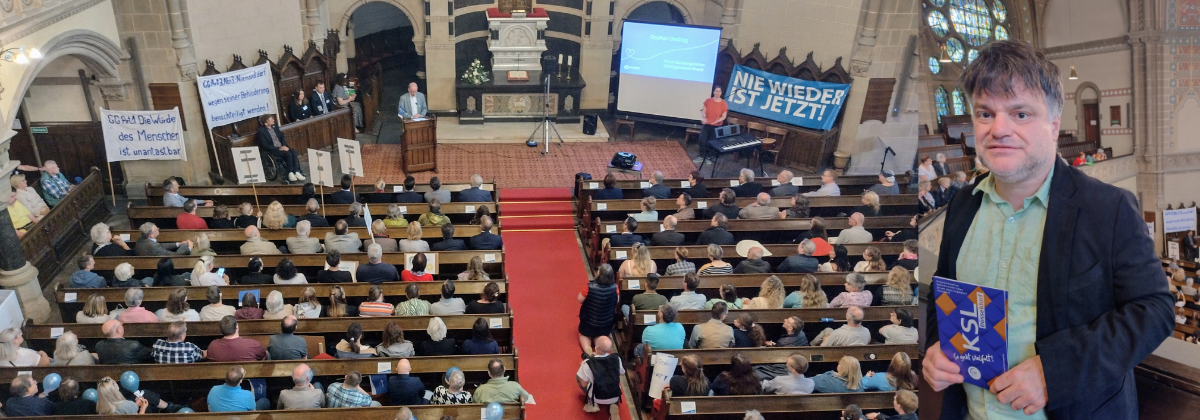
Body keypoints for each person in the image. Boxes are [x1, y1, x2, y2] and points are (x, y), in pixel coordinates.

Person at [924, 40, 1174, 420]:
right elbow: (944, 292)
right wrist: (934, 347)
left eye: (1020, 114)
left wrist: (1054, 372)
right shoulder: (962, 205)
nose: (999, 129)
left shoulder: (1108, 209)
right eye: (985, 113)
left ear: (1054, 125)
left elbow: (1155, 311)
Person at [576, 336, 624, 419]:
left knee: (578, 377)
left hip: (597, 396)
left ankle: (592, 403)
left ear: (597, 347)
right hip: (615, 394)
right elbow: (621, 373)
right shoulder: (617, 359)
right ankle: (614, 406)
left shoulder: (588, 363)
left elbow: (583, 384)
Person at [578, 264, 619, 355]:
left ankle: (587, 350)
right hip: (605, 323)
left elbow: (579, 299)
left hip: (588, 322)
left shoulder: (590, 287)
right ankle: (600, 350)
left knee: (583, 334)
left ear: (599, 274)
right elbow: (617, 300)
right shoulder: (615, 288)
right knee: (600, 336)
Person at [256, 114, 305, 181]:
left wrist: (283, 145)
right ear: (266, 123)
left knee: (293, 151)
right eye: (271, 119)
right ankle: (290, 172)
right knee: (288, 154)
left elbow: (282, 137)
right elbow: (265, 145)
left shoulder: (275, 126)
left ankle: (296, 171)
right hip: (272, 149)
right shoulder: (261, 132)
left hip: (281, 146)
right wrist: (279, 148)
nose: (273, 120)